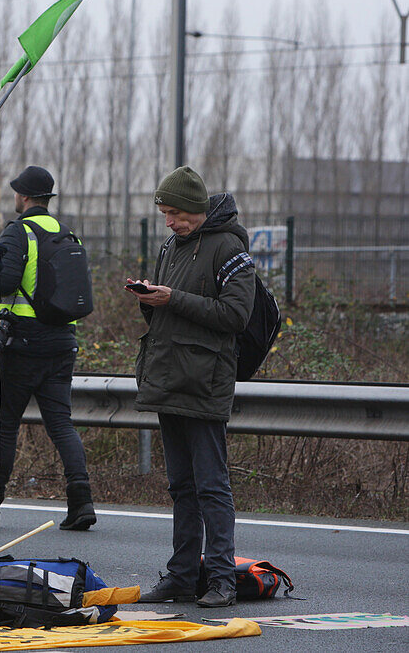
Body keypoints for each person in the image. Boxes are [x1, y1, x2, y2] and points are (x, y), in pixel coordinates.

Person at [131, 166, 255, 609]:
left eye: (175, 213)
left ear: (196, 208)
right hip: (168, 377)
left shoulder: (231, 247)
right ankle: (182, 576)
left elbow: (236, 315)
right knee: (181, 486)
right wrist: (151, 299)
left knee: (211, 486)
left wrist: (172, 298)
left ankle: (221, 579)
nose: (169, 221)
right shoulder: (172, 245)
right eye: (165, 213)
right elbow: (171, 313)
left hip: (205, 382)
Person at [0, 166, 96, 531]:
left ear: (22, 197)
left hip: (23, 344)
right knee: (61, 424)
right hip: (62, 342)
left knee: (5, 426)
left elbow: (5, 282)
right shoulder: (69, 234)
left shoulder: (18, 231)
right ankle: (81, 500)